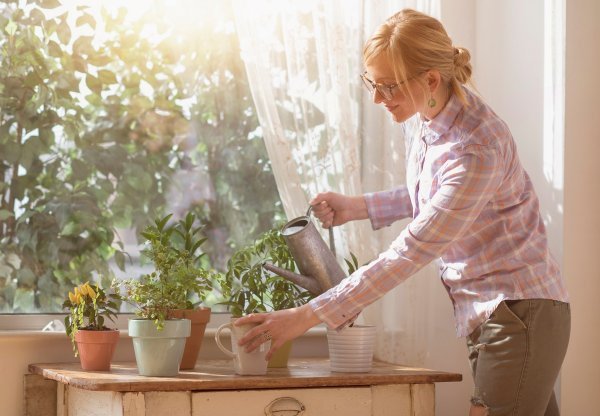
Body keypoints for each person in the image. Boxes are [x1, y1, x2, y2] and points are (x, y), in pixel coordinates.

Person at [235, 8, 570, 416]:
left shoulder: (476, 146)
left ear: (430, 79)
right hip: (503, 314)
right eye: (372, 84)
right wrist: (356, 207)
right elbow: (437, 199)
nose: (378, 98)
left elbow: (411, 251)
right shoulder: (434, 118)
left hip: (519, 313)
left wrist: (305, 317)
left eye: (388, 87)